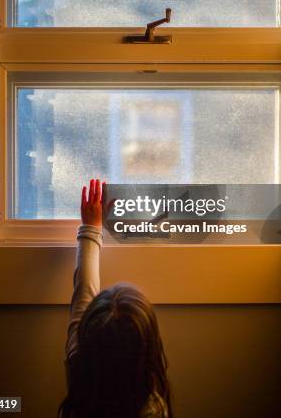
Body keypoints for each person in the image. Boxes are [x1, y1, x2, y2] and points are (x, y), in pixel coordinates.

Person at [58, 179, 173, 418]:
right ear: (150, 351)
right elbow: (84, 298)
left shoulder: (81, 374)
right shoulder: (152, 408)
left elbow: (83, 294)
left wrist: (91, 228)